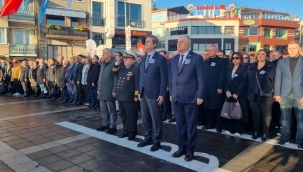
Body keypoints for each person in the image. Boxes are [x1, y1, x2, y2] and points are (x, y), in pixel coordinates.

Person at [170, 35, 204, 161]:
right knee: (180, 125)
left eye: (182, 42)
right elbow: (171, 77)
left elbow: (201, 78)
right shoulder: (175, 59)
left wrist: (200, 95)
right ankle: (181, 147)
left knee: (190, 126)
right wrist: (171, 94)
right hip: (177, 97)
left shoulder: (196, 58)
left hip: (191, 97)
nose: (178, 44)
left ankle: (190, 149)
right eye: (178, 42)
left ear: (188, 44)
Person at [138, 35, 168, 151]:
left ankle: (157, 140)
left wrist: (161, 94)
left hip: (154, 93)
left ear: (154, 44)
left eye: (148, 42)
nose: (146, 43)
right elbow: (141, 76)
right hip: (143, 92)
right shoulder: (144, 58)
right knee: (145, 117)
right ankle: (147, 137)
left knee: (156, 118)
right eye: (145, 42)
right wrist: (138, 91)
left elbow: (164, 78)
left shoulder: (160, 59)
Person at [275, 41, 303, 149]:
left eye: (294, 48)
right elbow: (278, 78)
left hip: (300, 95)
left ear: (299, 49)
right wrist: (277, 93)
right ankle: (284, 139)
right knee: (285, 118)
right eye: (290, 48)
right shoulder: (282, 62)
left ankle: (300, 141)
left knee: (301, 119)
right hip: (284, 94)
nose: (291, 50)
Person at [247, 49, 275, 142]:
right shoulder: (251, 67)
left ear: (267, 56)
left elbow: (275, 81)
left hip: (267, 95)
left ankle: (265, 133)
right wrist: (248, 92)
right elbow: (247, 81)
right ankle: (256, 131)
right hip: (253, 94)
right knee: (255, 114)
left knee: (266, 114)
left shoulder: (271, 67)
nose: (260, 56)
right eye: (258, 54)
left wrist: (275, 93)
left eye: (262, 54)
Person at [113, 50, 140, 140]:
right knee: (123, 115)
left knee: (131, 116)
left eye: (127, 59)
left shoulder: (135, 69)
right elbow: (114, 72)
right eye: (124, 59)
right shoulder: (122, 68)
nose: (125, 60)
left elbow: (137, 83)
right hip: (121, 96)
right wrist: (117, 62)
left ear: (133, 60)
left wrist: (136, 95)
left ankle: (132, 132)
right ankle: (125, 130)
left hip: (129, 97)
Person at [203, 45, 227, 133]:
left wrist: (220, 86)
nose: (210, 52)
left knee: (218, 107)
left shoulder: (221, 61)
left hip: (216, 88)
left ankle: (218, 126)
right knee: (208, 107)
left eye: (212, 50)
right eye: (209, 50)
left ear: (216, 51)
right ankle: (209, 124)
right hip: (207, 88)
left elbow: (222, 75)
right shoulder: (206, 61)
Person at [225, 52, 249, 136]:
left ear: (240, 59)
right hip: (229, 93)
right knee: (230, 110)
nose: (234, 59)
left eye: (236, 58)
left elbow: (244, 82)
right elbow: (225, 80)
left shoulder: (244, 69)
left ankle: (239, 130)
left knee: (239, 111)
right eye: (233, 58)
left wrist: (237, 93)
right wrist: (227, 90)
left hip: (240, 94)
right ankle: (230, 128)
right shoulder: (228, 68)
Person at [96, 48, 118, 134]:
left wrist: (114, 90)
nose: (102, 54)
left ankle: (113, 126)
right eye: (102, 53)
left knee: (111, 110)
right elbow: (100, 77)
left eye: (104, 53)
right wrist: (98, 88)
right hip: (102, 90)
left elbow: (116, 77)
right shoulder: (103, 64)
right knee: (103, 109)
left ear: (110, 54)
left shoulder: (114, 63)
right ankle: (105, 124)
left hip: (109, 90)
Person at [159, 50, 170, 121]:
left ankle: (165, 114)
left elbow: (168, 75)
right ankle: (161, 113)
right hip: (158, 85)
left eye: (162, 55)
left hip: (165, 85)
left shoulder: (168, 63)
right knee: (160, 102)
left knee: (165, 102)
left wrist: (167, 85)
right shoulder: (158, 63)